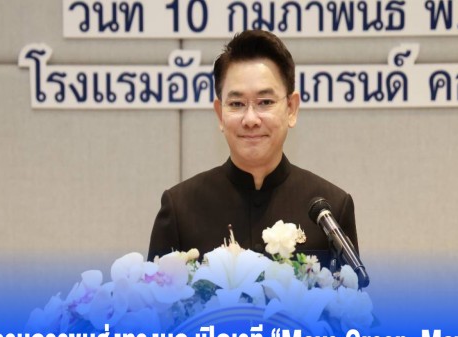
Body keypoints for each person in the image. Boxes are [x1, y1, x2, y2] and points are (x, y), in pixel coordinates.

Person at [148, 30, 358, 267]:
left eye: (265, 102)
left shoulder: (330, 210)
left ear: (291, 109)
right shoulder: (180, 209)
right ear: (219, 113)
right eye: (236, 104)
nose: (250, 119)